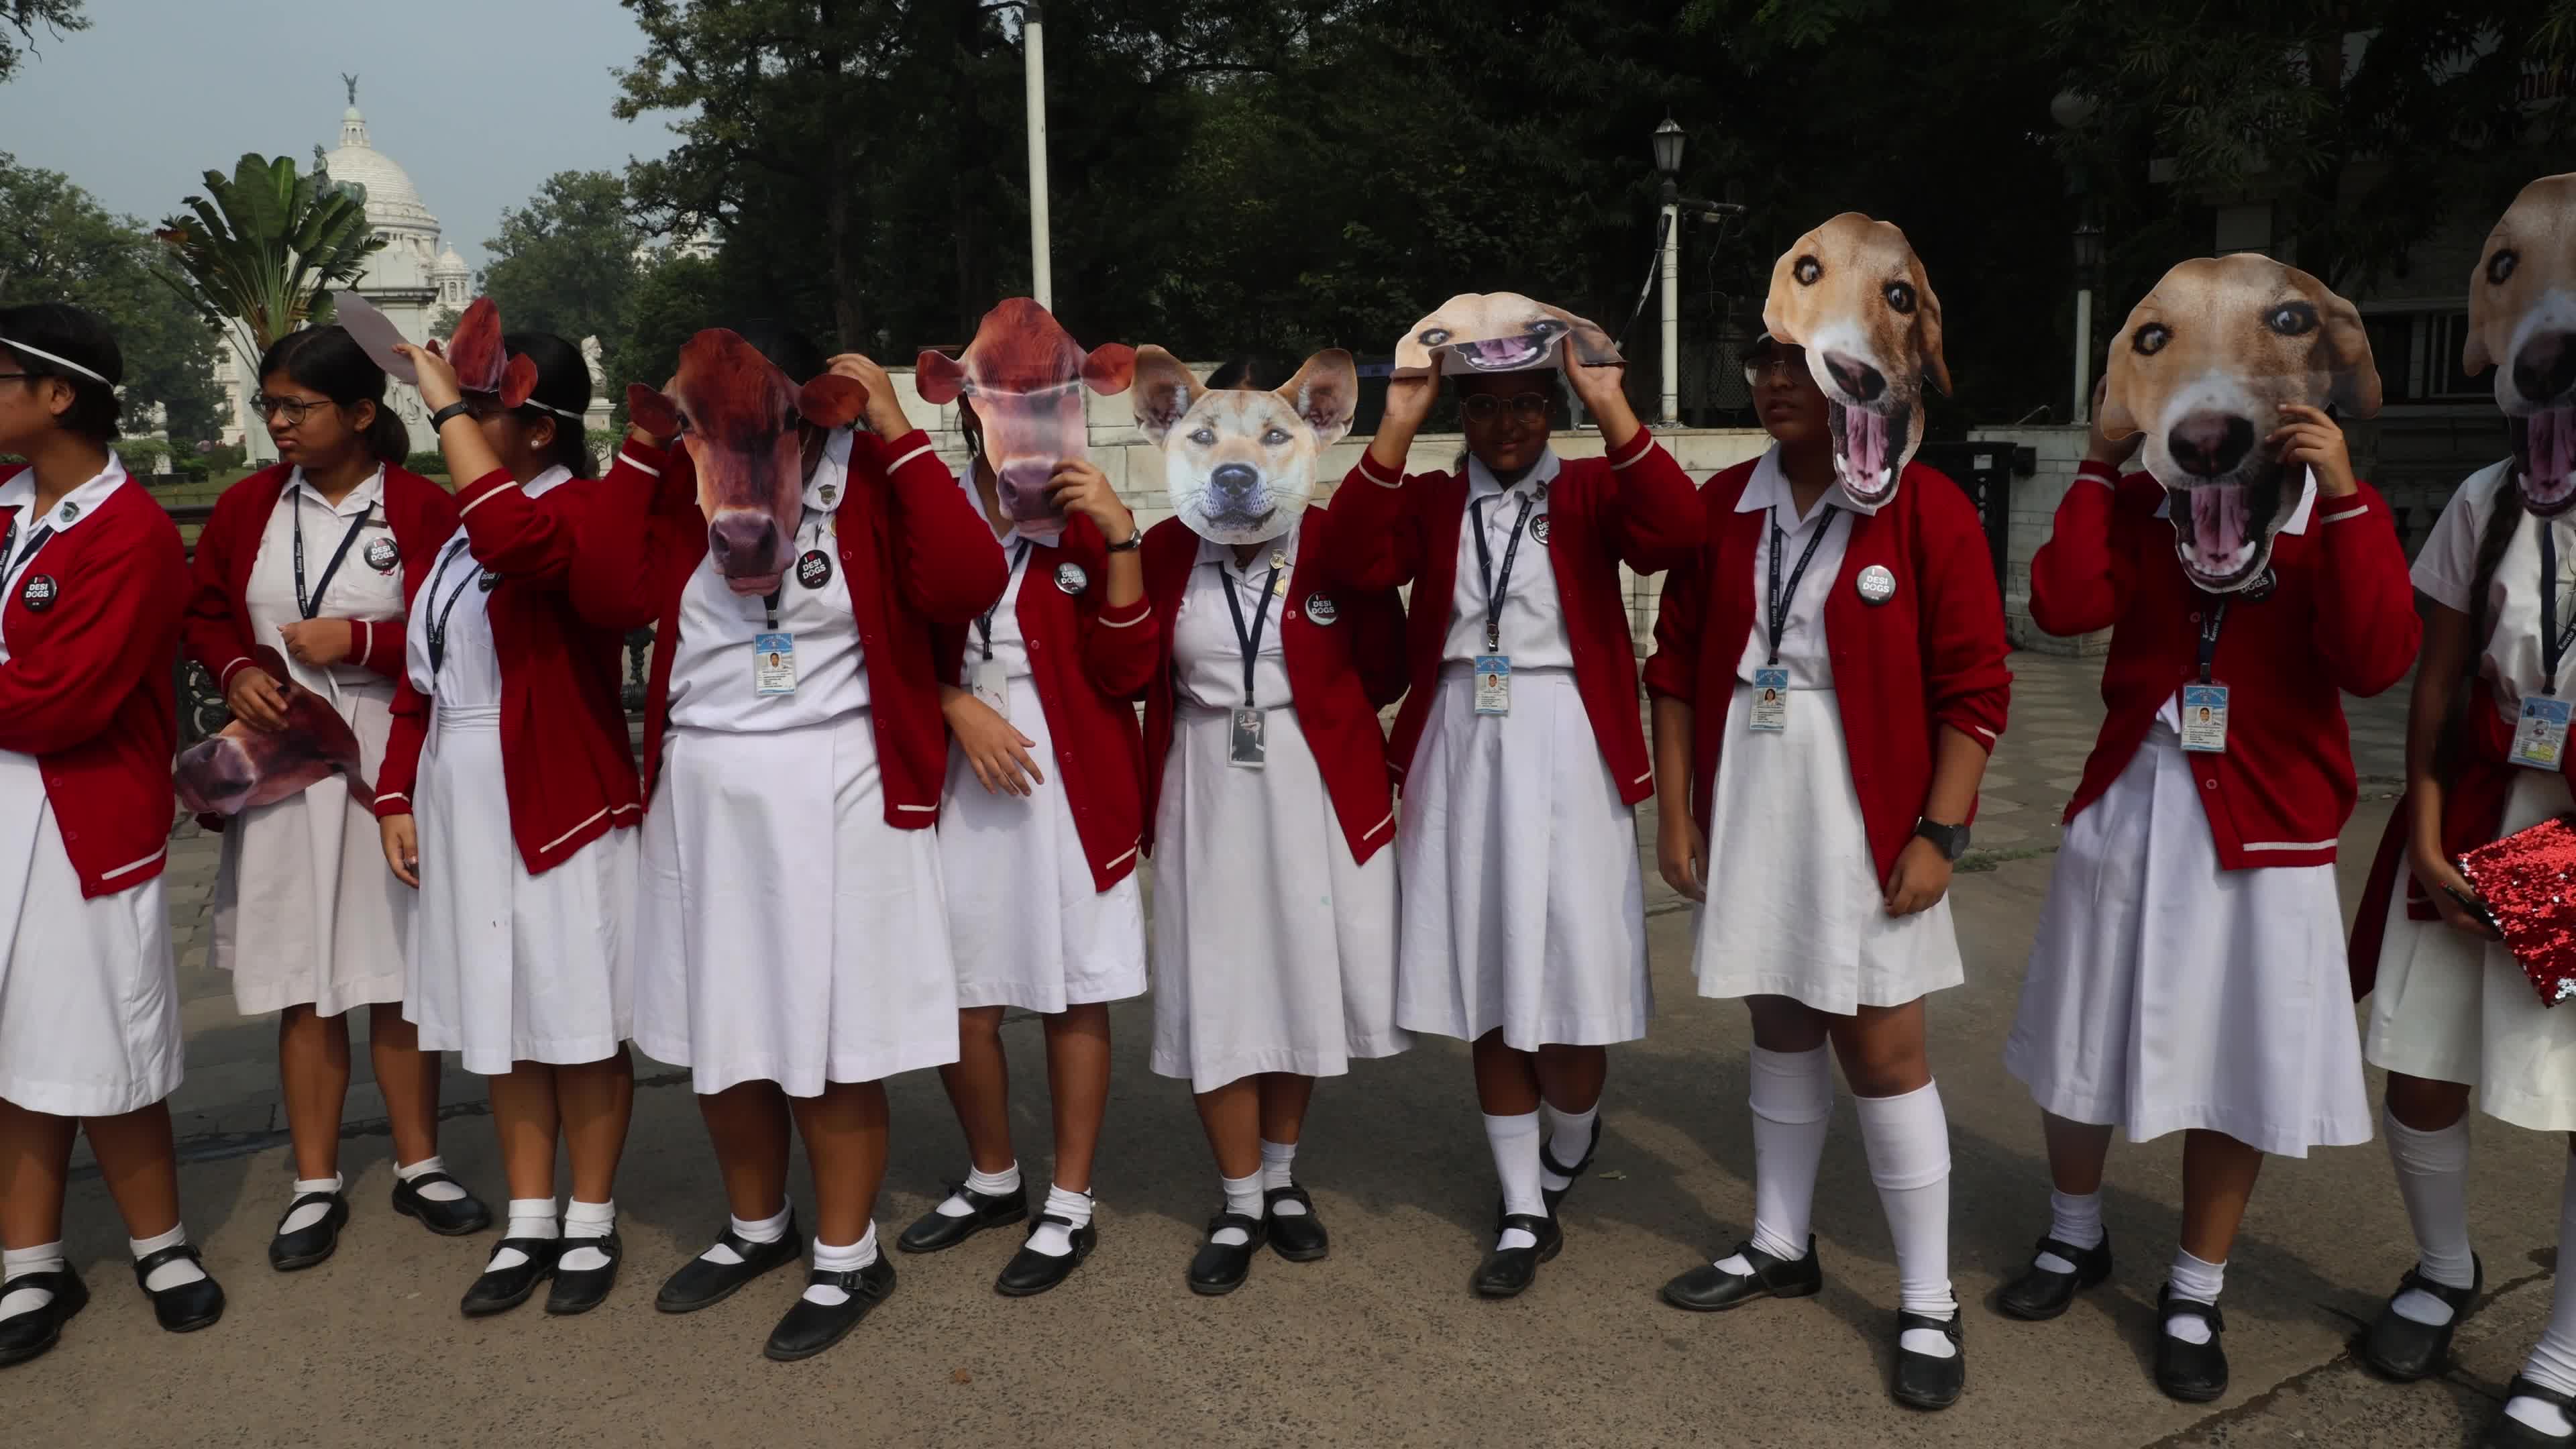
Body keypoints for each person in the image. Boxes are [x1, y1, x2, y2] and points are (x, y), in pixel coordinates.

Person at [572, 324, 1008, 1360]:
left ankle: (850, 1254)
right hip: (709, 788)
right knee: (726, 1034)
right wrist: (644, 451)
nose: (740, 442)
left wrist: (898, 431)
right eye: (713, 421)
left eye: (760, 421)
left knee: (830, 1040)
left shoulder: (860, 473)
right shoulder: (688, 479)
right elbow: (604, 596)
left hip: (838, 783)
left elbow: (965, 581)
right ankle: (758, 1227)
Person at [2001, 379, 2417, 1401]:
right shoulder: (2147, 498)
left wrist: (2349, 492)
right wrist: (2098, 462)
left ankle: (2195, 1287)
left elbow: (2374, 659)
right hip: (2132, 796)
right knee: (2079, 1033)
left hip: (2267, 825)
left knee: (2236, 1055)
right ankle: (2073, 1235)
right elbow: (2064, 606)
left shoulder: (2325, 510)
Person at [1643, 334, 2007, 1408]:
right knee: (1781, 1020)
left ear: (1864, 380)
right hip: (1753, 797)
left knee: (1886, 1050)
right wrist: (1676, 814)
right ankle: (1777, 1242)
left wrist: (1940, 834)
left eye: (1799, 364)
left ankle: (1929, 1302)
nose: (1770, 383)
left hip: (1868, 806)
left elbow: (1976, 689)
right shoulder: (1724, 505)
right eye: (1760, 362)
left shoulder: (1923, 506)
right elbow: (1671, 666)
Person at [1309, 347, 1701, 1296]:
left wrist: (1611, 401)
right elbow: (1350, 558)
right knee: (1487, 972)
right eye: (1485, 410)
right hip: (1460, 740)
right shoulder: (1438, 503)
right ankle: (1522, 1204)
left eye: (1530, 404)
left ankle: (1574, 1129)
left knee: (1570, 976)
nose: (1509, 425)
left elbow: (1679, 530)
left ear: (1554, 411)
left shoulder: (1588, 494)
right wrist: (1399, 418)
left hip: (1567, 736)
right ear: (1463, 419)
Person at [182, 324, 489, 1273]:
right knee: (303, 984)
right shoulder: (247, 508)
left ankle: (420, 1162)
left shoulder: (421, 509)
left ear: (362, 413)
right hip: (281, 764)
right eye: (270, 406)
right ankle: (315, 1181)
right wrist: (235, 667)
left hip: (388, 760)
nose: (278, 422)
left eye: (297, 407)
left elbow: (469, 636)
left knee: (394, 972)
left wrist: (360, 645)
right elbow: (204, 609)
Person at [374, 331, 643, 1318]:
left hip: (557, 788)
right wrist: (397, 791)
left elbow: (522, 550)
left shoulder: (579, 508)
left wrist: (444, 413)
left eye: (480, 409)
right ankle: (531, 1215)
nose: (458, 426)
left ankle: (592, 1216)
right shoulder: (457, 528)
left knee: (576, 1012)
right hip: (462, 784)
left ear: (536, 430)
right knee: (503, 1013)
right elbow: (423, 676)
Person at [1134, 368, 1413, 1297]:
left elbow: (1386, 666)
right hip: (1207, 787)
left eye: (1267, 437)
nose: (1238, 462)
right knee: (1220, 987)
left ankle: (1285, 1179)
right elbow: (1123, 666)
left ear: (1311, 438)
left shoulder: (1334, 543)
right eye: (1209, 438)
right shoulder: (1164, 549)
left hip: (1312, 783)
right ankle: (1240, 1197)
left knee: (1299, 978)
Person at [0, 303, 225, 1366]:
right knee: (13, 1053)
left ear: (58, 396)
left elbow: (62, 701)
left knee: (104, 1044)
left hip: (78, 820)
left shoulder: (129, 532)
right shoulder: (6, 510)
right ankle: (29, 1262)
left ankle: (162, 1246)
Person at [901, 396, 1156, 1297]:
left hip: (1067, 782)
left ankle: (1070, 1201)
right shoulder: (928, 508)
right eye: (1000, 411)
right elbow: (880, 647)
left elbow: (1129, 673)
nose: (1021, 436)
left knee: (1072, 990)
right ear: (970, 414)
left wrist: (1120, 538)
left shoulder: (1081, 514)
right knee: (959, 996)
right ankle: (995, 1175)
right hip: (961, 782)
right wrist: (952, 702)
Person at [2347, 443, 2576, 1447]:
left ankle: (2564, 1358)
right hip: (2488, 807)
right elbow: (2439, 678)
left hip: (2572, 838)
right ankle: (2444, 1270)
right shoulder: (2490, 495)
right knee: (2421, 1066)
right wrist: (2431, 840)